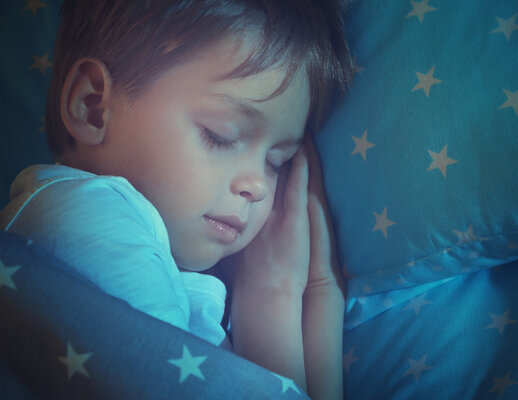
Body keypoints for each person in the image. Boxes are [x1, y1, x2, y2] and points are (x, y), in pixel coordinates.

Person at [0, 0, 353, 398]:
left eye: (277, 162)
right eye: (219, 135)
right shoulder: (84, 213)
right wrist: (271, 298)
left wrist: (306, 290)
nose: (258, 185)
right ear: (94, 108)